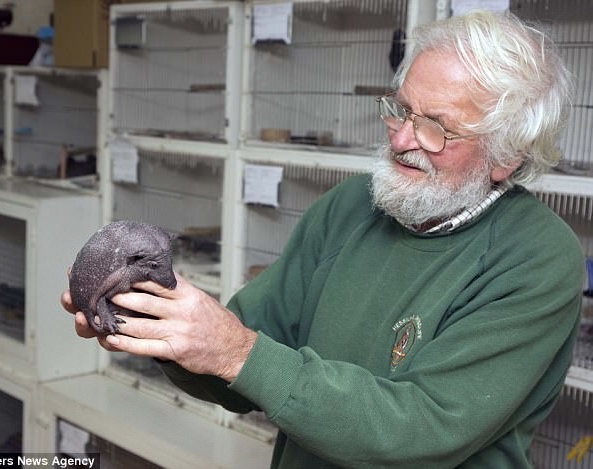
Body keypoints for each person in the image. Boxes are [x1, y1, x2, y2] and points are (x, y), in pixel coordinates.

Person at [61, 10, 584, 468]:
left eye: (436, 128)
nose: (401, 140)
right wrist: (158, 323)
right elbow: (246, 348)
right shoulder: (351, 206)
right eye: (401, 110)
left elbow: (421, 432)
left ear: (507, 154)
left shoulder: (537, 259)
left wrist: (236, 352)